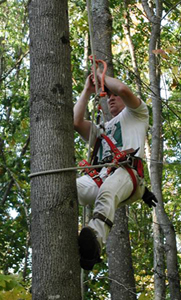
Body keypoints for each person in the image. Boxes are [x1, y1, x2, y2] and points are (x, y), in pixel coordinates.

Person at [74, 68, 150, 271]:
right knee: (69, 189)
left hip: (128, 173)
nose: (112, 99)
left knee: (108, 192)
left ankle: (94, 242)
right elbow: (76, 122)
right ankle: (70, 238)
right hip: (102, 176)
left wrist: (101, 77)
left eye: (114, 95)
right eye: (108, 96)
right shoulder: (102, 129)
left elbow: (124, 89)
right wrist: (87, 89)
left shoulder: (138, 114)